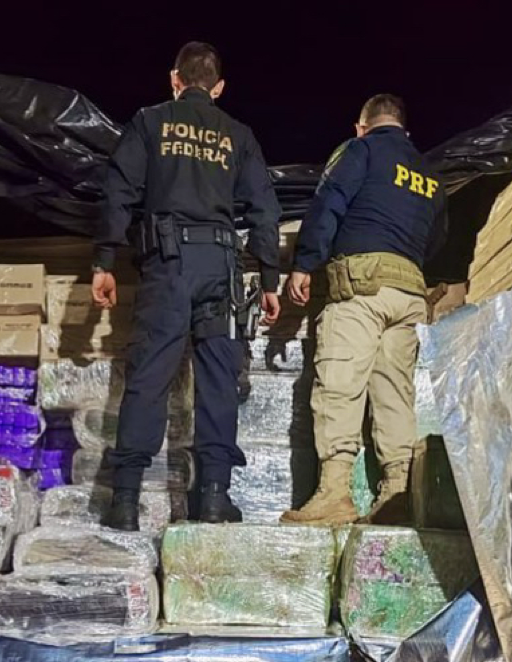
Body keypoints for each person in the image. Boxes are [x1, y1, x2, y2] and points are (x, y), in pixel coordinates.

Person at [92, 41, 282, 531]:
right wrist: (269, 279)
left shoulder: (150, 122)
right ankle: (214, 497)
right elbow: (265, 209)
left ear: (174, 79)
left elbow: (118, 191)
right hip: (221, 267)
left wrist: (104, 260)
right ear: (219, 88)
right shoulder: (238, 135)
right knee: (219, 380)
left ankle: (126, 502)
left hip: (169, 265)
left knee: (149, 376)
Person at [281, 94, 447, 526]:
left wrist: (305, 264)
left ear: (362, 126)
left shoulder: (361, 150)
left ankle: (334, 493)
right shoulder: (429, 173)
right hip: (409, 294)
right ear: (405, 130)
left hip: (362, 289)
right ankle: (397, 495)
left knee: (340, 384)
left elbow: (328, 204)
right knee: (395, 395)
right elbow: (437, 238)